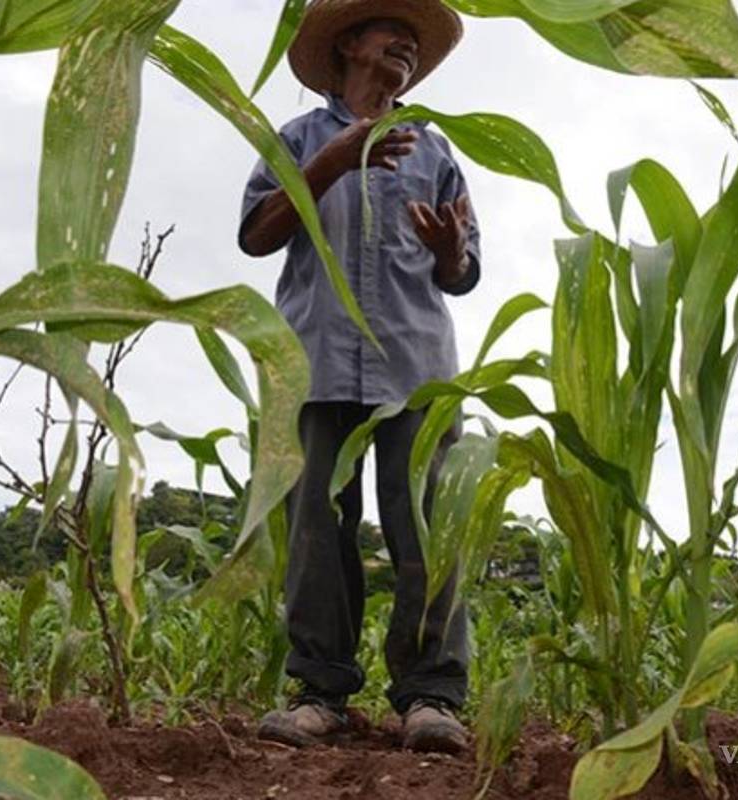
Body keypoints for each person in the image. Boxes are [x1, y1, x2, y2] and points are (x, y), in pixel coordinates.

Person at [237, 0, 480, 754]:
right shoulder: (298, 139)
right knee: (317, 529)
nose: (406, 43)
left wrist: (448, 254)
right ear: (347, 45)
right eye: (389, 33)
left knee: (427, 528)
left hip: (417, 367)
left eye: (414, 41)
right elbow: (255, 235)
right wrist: (333, 162)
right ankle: (321, 692)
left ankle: (431, 697)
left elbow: (464, 272)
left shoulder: (436, 152)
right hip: (315, 361)